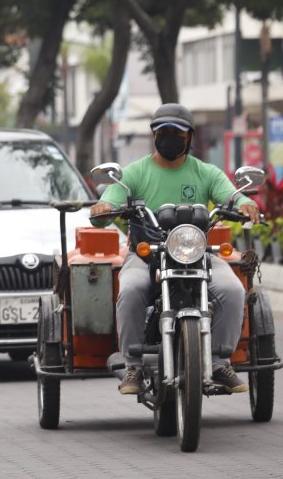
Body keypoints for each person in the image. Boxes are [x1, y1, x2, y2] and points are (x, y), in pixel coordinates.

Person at [89, 103, 260, 396]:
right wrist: (104, 205)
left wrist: (246, 203)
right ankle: (133, 365)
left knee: (232, 290)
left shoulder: (206, 172)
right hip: (145, 254)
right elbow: (108, 205)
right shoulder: (135, 173)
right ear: (154, 135)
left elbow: (232, 197)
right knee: (130, 288)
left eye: (177, 133)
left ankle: (219, 362)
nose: (170, 137)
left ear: (189, 137)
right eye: (163, 132)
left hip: (198, 253)